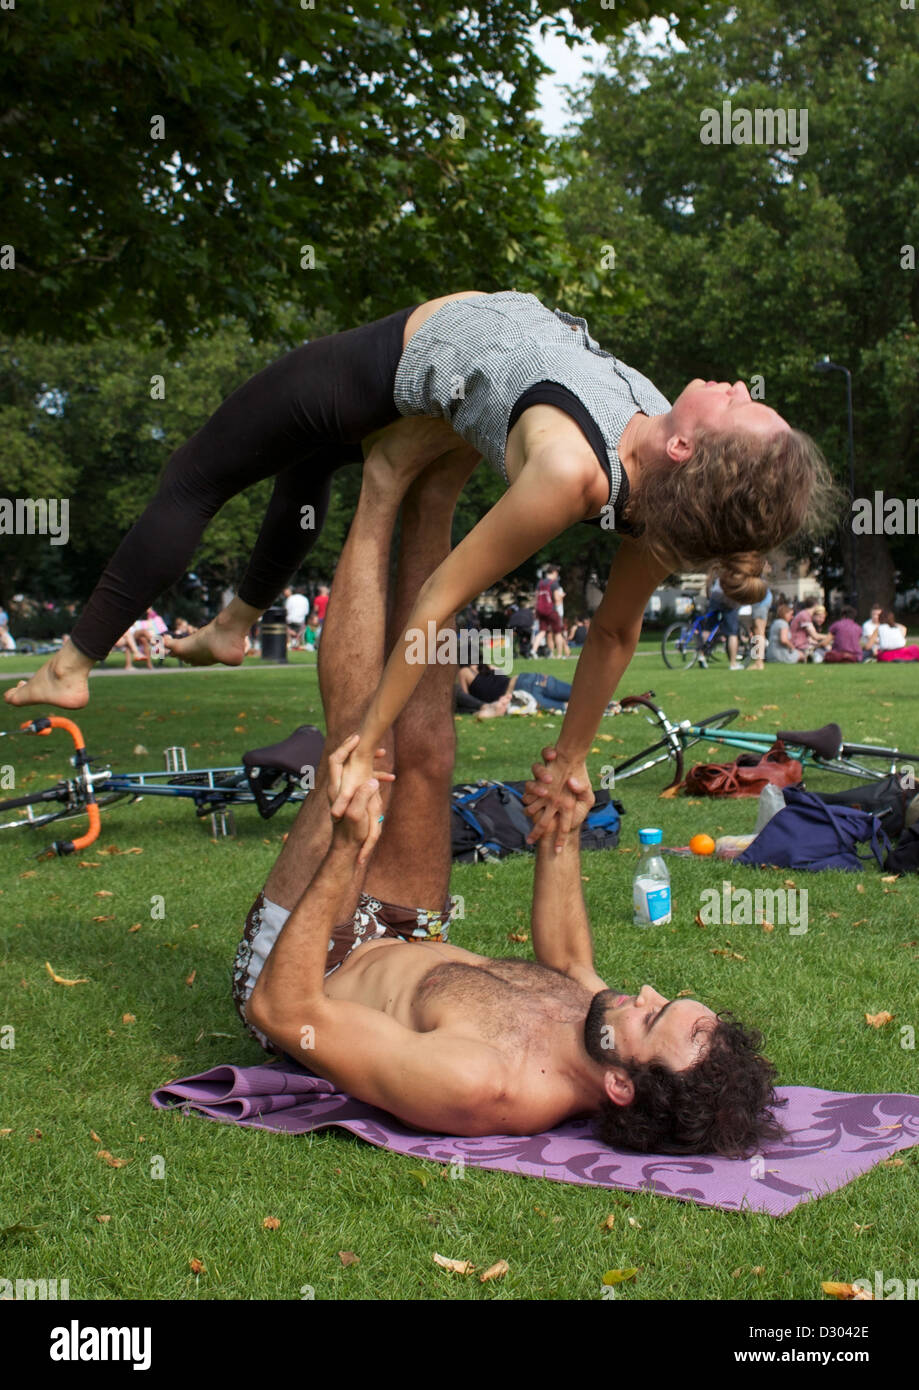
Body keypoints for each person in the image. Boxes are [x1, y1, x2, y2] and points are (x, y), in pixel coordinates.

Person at [8, 289, 836, 849]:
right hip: (407, 384)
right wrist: (571, 754)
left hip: (389, 365)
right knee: (306, 468)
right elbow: (615, 630)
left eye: (738, 403)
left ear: (688, 447)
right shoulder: (657, 476)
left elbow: (441, 597)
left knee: (196, 474)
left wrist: (366, 741)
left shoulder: (569, 471)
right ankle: (231, 627)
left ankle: (70, 662)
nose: (731, 384)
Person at [235, 429, 785, 1157]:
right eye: (661, 1001)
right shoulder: (601, 1026)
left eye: (650, 1019)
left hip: (309, 964)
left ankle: (381, 480)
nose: (643, 994)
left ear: (620, 1087)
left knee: (360, 742)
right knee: (429, 749)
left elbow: (284, 1010)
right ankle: (439, 488)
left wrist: (346, 851)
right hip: (406, 932)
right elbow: (567, 962)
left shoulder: (479, 1082)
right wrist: (560, 833)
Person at [456, 663, 573, 716]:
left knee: (566, 707)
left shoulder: (464, 672)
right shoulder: (487, 666)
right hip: (531, 678)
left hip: (522, 691)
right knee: (580, 694)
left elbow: (466, 698)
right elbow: (503, 674)